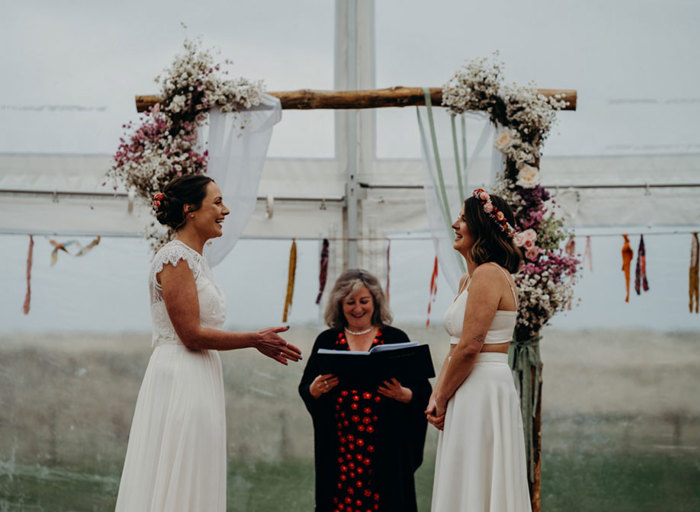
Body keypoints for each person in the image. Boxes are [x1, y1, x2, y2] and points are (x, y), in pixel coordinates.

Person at [115, 174, 302, 512]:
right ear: (190, 209)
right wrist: (254, 339)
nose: (225, 210)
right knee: (179, 465)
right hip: (180, 375)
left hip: (200, 374)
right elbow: (190, 334)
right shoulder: (175, 258)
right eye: (217, 202)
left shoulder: (196, 260)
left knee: (196, 466)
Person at [426, 188, 531, 511]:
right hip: (464, 383)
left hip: (482, 385)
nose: (455, 225)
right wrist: (437, 394)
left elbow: (472, 346)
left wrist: (442, 396)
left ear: (480, 227)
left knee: (479, 470)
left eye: (462, 218)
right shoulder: (466, 281)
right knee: (465, 472)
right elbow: (455, 347)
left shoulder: (488, 274)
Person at [299, 269, 431, 512]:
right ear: (340, 304)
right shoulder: (327, 340)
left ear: (375, 302)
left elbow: (422, 390)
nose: (357, 308)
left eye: (364, 301)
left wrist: (403, 394)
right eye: (350, 302)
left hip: (386, 449)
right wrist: (314, 390)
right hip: (341, 450)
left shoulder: (395, 338)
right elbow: (307, 388)